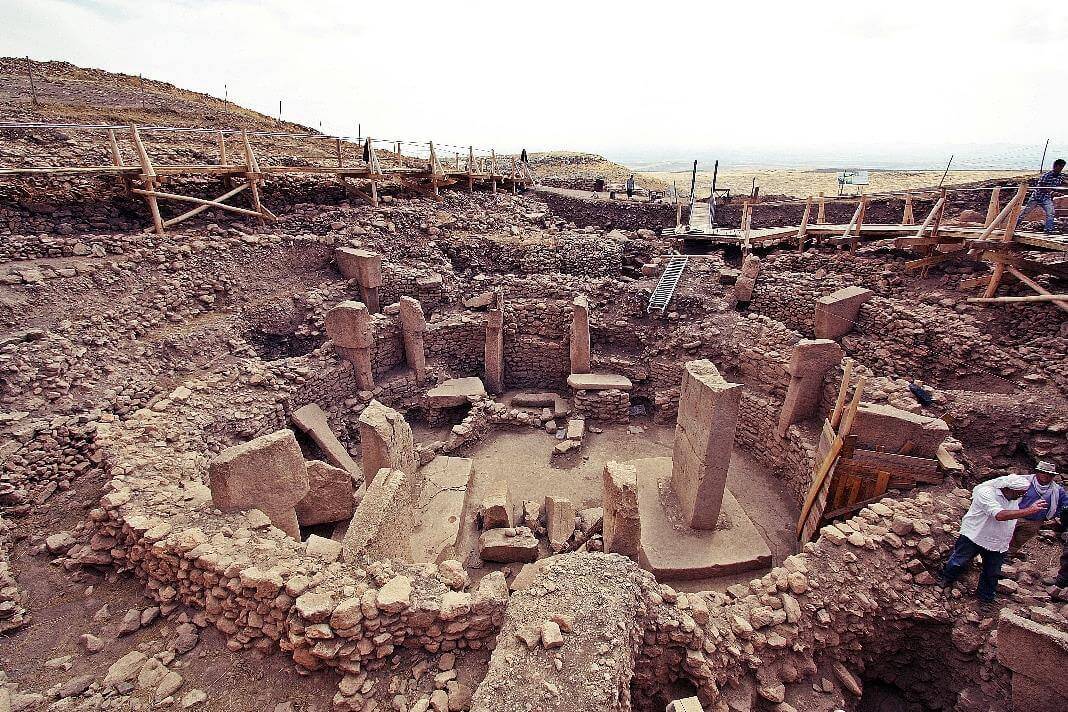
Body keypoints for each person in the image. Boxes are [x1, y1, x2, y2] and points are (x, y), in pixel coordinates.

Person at [939, 474, 1048, 604]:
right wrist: (1030, 510)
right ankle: (947, 578)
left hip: (998, 541)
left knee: (992, 572)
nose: (1022, 496)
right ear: (1008, 489)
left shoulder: (1013, 497)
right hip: (975, 535)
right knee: (959, 560)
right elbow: (999, 515)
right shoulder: (985, 493)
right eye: (1020, 493)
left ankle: (985, 598)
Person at [1009, 461, 1067, 557]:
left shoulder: (1057, 490)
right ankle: (991, 554)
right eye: (1043, 472)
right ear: (1037, 472)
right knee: (1003, 535)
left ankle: (1008, 556)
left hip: (1035, 521)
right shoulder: (1023, 481)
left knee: (1019, 540)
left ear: (1052, 476)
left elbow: (1064, 504)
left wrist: (1054, 515)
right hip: (1016, 515)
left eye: (1049, 473)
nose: (1045, 475)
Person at [1019, 158, 1065, 234]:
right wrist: (1052, 193)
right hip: (1037, 197)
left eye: (1062, 167)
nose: (1061, 169)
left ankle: (1048, 230)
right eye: (1060, 167)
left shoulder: (1059, 177)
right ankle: (1013, 227)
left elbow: (1057, 186)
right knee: (1025, 213)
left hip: (1046, 198)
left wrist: (1057, 193)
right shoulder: (1046, 175)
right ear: (1055, 166)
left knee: (1051, 213)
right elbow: (1041, 187)